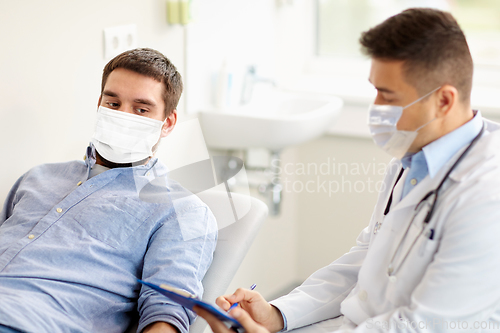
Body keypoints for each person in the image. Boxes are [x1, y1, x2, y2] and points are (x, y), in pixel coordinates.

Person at [195, 7, 500, 333]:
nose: (377, 108)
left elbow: (423, 326)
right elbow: (366, 260)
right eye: (375, 90)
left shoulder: (485, 194)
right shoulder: (412, 159)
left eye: (388, 95)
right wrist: (277, 315)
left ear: (443, 101)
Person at [0, 48, 217, 333]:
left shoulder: (180, 210)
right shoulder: (38, 177)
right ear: (99, 104)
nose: (123, 116)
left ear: (168, 123)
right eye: (113, 104)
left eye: (141, 109)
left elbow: (167, 312)